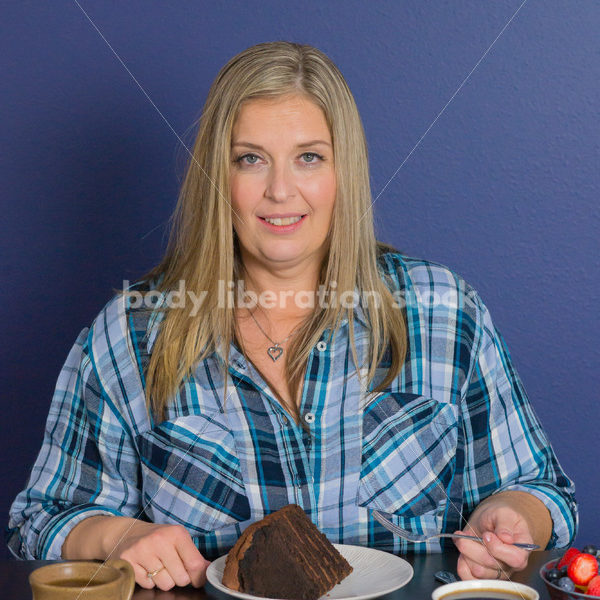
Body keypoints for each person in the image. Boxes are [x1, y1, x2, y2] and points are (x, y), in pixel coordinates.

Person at [6, 41, 577, 591]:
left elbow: (544, 493)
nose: (281, 190)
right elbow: (38, 522)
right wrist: (117, 534)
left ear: (342, 173)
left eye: (309, 157)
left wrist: (514, 516)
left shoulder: (445, 315)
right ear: (216, 179)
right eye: (250, 159)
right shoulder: (128, 334)